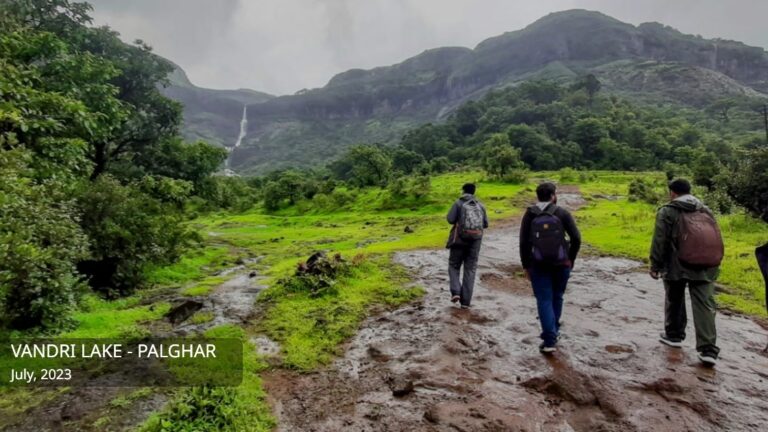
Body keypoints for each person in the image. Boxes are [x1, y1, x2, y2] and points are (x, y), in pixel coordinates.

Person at [650, 179, 723, 367]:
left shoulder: (667, 211)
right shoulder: (705, 210)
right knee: (705, 305)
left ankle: (674, 335)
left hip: (676, 265)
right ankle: (708, 349)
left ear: (672, 192)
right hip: (705, 265)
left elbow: (660, 240)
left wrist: (655, 265)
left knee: (675, 299)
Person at [519, 182, 581, 354]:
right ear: (553, 195)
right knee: (557, 296)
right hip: (562, 264)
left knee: (544, 299)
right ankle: (554, 331)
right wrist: (570, 259)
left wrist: (526, 265)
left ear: (537, 196)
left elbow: (524, 243)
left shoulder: (530, 214)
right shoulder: (562, 213)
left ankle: (549, 340)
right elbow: (576, 238)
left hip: (538, 265)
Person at [446, 183, 489, 309]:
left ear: (463, 191)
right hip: (475, 242)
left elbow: (450, 219)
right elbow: (485, 224)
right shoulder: (480, 205)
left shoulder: (458, 203)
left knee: (453, 265)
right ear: (474, 192)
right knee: (470, 269)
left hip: (459, 240)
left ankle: (456, 292)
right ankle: (466, 302)